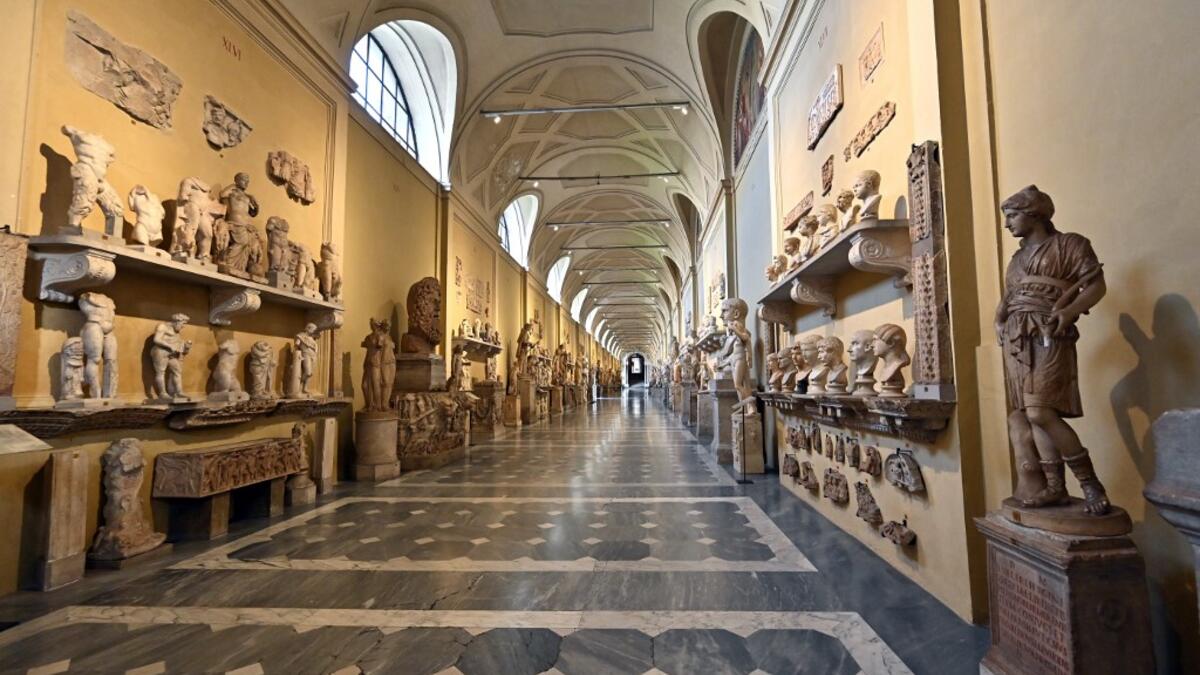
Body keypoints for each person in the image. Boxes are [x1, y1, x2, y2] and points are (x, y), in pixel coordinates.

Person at [995, 185, 1109, 515]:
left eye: (1012, 215)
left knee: (1039, 411)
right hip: (1016, 339)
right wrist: (999, 321)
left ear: (1034, 214)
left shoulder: (1070, 244)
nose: (1007, 224)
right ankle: (1055, 487)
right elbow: (1008, 298)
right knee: (1033, 415)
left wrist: (1070, 311)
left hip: (1049, 332)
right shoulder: (1016, 260)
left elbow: (1096, 285)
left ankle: (1090, 483)